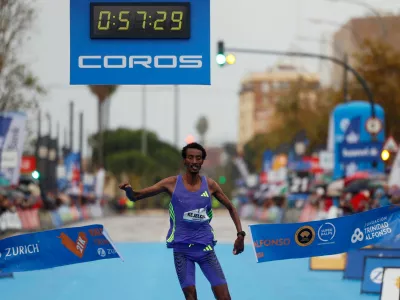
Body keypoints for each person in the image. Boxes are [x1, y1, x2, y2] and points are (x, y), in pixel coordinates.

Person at [119, 142, 245, 300]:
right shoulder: (171, 184)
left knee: (225, 297)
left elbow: (231, 208)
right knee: (191, 296)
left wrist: (240, 234)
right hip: (182, 250)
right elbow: (136, 196)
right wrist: (129, 190)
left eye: (198, 158)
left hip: (206, 249)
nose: (194, 161)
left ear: (202, 162)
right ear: (184, 161)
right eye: (190, 157)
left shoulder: (210, 185)